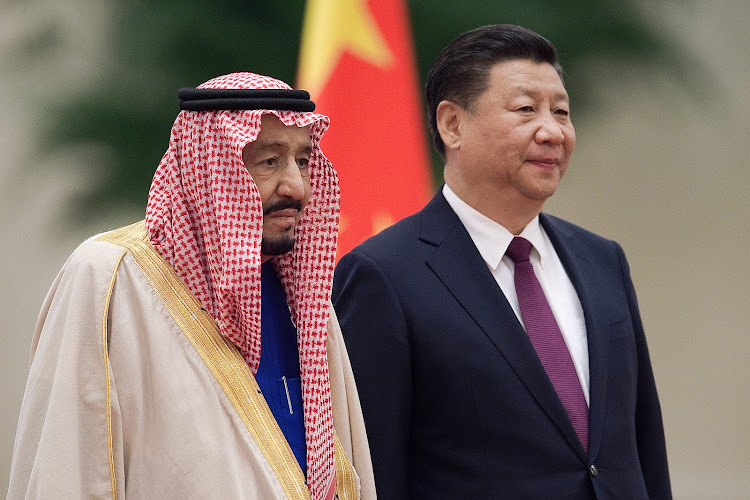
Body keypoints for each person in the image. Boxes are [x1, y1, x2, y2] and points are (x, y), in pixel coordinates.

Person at [332, 24, 671, 499]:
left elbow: (642, 443)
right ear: (452, 124)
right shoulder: (383, 275)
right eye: (526, 109)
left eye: (562, 112)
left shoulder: (602, 260)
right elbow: (376, 471)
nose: (552, 132)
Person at [8, 72, 375, 500]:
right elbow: (67, 469)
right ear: (211, 170)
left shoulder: (305, 299)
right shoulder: (109, 278)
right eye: (270, 161)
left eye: (304, 161)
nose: (297, 186)